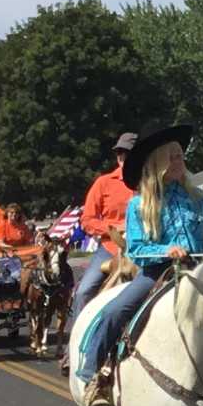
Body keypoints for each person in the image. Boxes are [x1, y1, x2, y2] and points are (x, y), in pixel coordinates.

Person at [74, 125, 203, 406]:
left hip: (198, 271)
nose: (180, 161)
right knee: (115, 311)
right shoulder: (139, 204)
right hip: (157, 273)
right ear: (159, 163)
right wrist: (166, 250)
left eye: (181, 156)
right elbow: (136, 249)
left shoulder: (196, 197)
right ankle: (93, 375)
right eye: (173, 157)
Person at [71, 132, 137, 323]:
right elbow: (87, 220)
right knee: (84, 291)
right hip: (110, 248)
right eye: (120, 153)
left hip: (143, 249)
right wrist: (114, 229)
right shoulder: (104, 183)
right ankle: (76, 339)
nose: (122, 157)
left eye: (128, 153)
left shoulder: (149, 183)